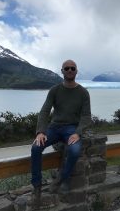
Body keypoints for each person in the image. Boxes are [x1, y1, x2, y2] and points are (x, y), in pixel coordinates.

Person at [31, 59, 91, 198]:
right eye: (67, 68)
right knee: (35, 147)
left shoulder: (83, 93)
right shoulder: (55, 90)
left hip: (71, 129)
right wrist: (40, 131)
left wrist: (78, 132)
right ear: (62, 71)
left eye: (72, 68)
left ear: (76, 71)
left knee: (75, 150)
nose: (70, 70)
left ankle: (63, 180)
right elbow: (45, 111)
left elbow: (86, 116)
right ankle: (37, 185)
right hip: (54, 128)